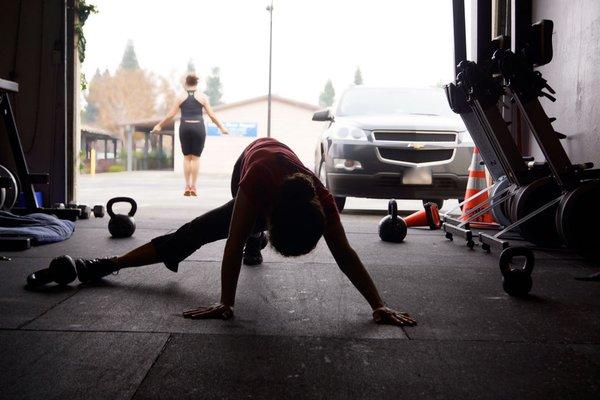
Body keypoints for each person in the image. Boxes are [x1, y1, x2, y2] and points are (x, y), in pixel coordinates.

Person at [29, 138, 416, 327]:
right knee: (199, 232)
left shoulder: (323, 202)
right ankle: (106, 263)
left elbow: (345, 254)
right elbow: (228, 243)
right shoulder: (255, 184)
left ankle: (256, 240)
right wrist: (226, 302)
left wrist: (378, 304)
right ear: (271, 216)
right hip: (247, 161)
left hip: (275, 197)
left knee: (247, 234)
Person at [152, 74, 229, 196]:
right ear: (196, 84)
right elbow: (212, 115)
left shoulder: (181, 97)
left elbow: (171, 114)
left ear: (186, 83)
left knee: (187, 158)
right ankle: (194, 187)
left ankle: (187, 186)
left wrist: (159, 125)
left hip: (185, 127)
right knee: (196, 158)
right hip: (198, 127)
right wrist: (222, 127)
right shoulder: (202, 97)